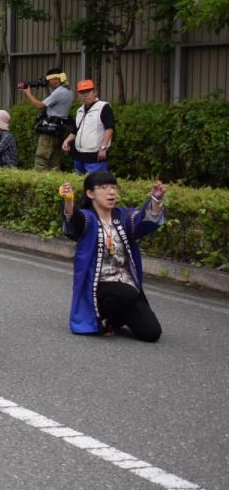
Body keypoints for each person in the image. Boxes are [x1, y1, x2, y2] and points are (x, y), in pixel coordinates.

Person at [59, 172, 164, 341]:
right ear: (90, 193)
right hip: (99, 286)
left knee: (151, 333)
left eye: (114, 187)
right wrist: (69, 201)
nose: (111, 192)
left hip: (126, 284)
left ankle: (114, 318)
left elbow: (143, 221)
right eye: (104, 188)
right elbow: (74, 222)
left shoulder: (123, 216)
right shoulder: (88, 218)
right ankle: (100, 316)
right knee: (127, 293)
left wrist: (156, 200)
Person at [20, 68, 74, 171]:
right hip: (59, 129)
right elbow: (53, 103)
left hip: (50, 129)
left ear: (57, 79)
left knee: (41, 159)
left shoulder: (59, 92)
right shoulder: (67, 90)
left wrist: (28, 94)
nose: (47, 82)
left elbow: (40, 105)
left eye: (49, 80)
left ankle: (40, 183)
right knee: (54, 162)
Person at [63, 79, 114, 174]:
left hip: (95, 157)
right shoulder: (80, 110)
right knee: (78, 184)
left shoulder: (104, 107)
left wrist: (103, 148)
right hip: (79, 157)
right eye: (82, 92)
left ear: (95, 92)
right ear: (78, 95)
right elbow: (75, 131)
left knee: (95, 185)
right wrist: (66, 141)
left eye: (88, 91)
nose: (85, 95)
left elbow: (109, 129)